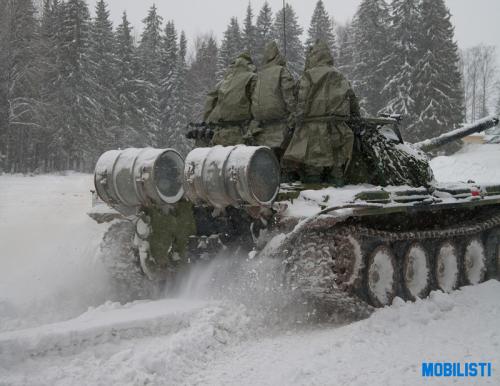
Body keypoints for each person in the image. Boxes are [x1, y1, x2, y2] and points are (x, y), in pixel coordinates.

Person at [282, 40, 360, 184]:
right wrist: (356, 120)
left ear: (314, 57)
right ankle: (341, 202)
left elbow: (301, 102)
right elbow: (353, 101)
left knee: (313, 170)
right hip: (338, 129)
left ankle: (314, 203)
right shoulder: (340, 75)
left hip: (314, 130)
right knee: (337, 170)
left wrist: (295, 121)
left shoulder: (308, 76)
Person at [248, 41, 296, 160]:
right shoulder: (282, 71)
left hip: (261, 127)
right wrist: (294, 114)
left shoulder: (259, 74)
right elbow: (289, 96)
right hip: (281, 125)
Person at [203, 53, 257, 147]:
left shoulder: (223, 82)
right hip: (242, 130)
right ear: (249, 65)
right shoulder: (252, 78)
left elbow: (209, 102)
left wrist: (206, 123)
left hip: (220, 132)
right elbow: (258, 103)